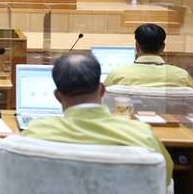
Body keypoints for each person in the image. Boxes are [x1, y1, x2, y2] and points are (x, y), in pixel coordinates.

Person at [22, 52, 173, 186]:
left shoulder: (34, 133)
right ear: (102, 90)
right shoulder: (142, 134)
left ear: (57, 96)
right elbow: (164, 178)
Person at [104, 23, 193, 87]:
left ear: (137, 46)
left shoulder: (117, 75)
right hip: (169, 115)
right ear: (163, 47)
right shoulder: (182, 76)